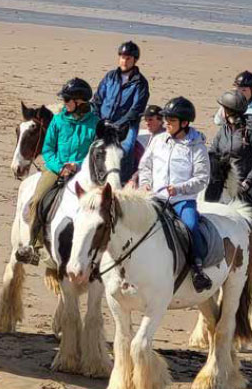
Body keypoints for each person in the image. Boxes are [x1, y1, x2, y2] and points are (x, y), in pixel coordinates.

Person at [16, 78, 99, 265]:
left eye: (67, 100)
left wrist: (77, 165)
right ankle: (33, 245)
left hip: (83, 172)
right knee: (38, 199)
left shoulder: (95, 124)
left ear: (79, 102)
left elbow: (95, 151)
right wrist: (59, 167)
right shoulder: (58, 121)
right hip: (56, 169)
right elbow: (47, 149)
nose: (64, 103)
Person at [139, 97, 212, 292]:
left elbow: (202, 178)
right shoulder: (157, 140)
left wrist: (179, 188)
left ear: (184, 123)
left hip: (182, 200)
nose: (167, 124)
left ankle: (197, 269)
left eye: (171, 121)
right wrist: (145, 184)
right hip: (155, 197)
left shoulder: (197, 146)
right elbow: (145, 166)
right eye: (166, 120)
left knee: (190, 226)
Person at [211, 90, 252, 265]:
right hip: (224, 179)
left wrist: (248, 181)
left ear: (229, 111)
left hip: (244, 180)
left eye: (222, 109)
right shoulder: (222, 131)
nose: (221, 112)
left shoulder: (251, 132)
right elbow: (213, 152)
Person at [92, 40, 150, 184]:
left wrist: (119, 124)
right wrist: (98, 119)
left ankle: (123, 180)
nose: (124, 60)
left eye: (128, 58)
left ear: (134, 60)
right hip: (103, 121)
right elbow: (98, 99)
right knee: (90, 144)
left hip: (127, 125)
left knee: (126, 149)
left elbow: (136, 108)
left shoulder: (140, 83)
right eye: (122, 57)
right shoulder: (110, 77)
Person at [214, 70, 252, 140]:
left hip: (249, 147)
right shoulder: (230, 102)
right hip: (227, 143)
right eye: (238, 89)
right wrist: (224, 107)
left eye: (244, 90)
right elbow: (217, 121)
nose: (240, 92)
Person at [129, 104, 165, 188]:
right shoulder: (154, 135)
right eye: (145, 120)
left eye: (150, 120)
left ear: (160, 120)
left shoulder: (163, 138)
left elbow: (153, 164)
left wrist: (135, 177)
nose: (147, 123)